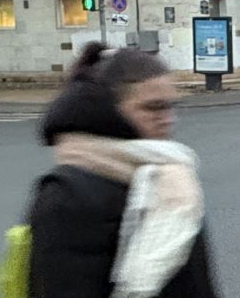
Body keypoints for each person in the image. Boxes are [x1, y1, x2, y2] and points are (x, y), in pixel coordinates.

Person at [28, 43, 219, 297]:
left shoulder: (169, 173)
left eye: (170, 106)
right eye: (152, 108)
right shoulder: (67, 194)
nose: (167, 119)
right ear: (109, 109)